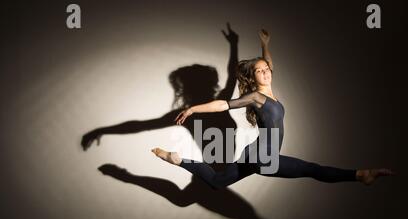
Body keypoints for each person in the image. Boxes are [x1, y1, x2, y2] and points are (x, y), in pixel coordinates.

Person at [151, 29, 395, 190]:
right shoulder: (256, 97)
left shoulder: (269, 90)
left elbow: (268, 64)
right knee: (312, 169)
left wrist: (263, 44)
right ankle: (361, 174)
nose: (266, 71)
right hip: (263, 157)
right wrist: (193, 109)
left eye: (266, 68)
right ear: (253, 77)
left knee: (216, 181)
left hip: (254, 154)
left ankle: (177, 159)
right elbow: (223, 104)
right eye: (259, 70)